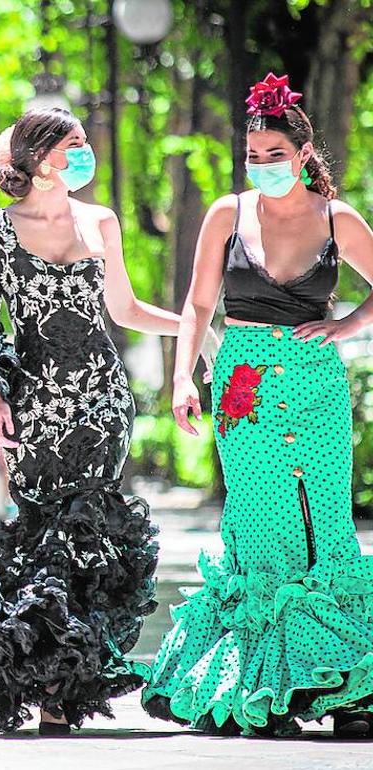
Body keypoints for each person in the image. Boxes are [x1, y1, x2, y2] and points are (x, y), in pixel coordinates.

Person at [0, 108, 217, 735]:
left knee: (90, 531)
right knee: (40, 530)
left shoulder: (102, 221)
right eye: (72, 144)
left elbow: (124, 307)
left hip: (101, 400)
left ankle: (66, 687)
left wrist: (195, 329)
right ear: (36, 157)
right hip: (35, 402)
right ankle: (39, 671)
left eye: (85, 142)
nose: (83, 153)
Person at [143, 73, 373, 738]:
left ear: (302, 155)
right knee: (264, 526)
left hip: (317, 384)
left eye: (276, 154)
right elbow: (196, 304)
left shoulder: (338, 218)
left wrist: (348, 326)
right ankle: (264, 685)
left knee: (327, 525)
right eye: (254, 156)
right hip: (243, 384)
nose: (264, 167)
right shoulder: (227, 214)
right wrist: (185, 378)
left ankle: (343, 682)